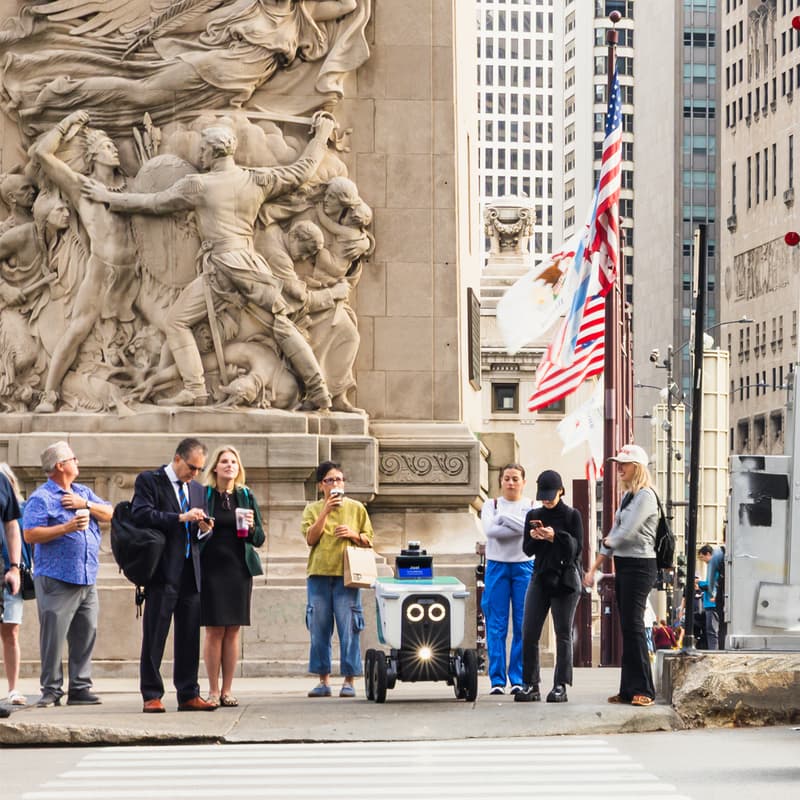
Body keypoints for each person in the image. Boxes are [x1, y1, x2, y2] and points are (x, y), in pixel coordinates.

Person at [84, 114, 338, 409]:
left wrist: (108, 197)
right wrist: (322, 134)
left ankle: (195, 388)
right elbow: (302, 170)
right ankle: (319, 391)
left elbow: (153, 203)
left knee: (177, 322)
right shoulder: (257, 179)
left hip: (221, 267)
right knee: (281, 324)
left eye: (202, 150)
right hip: (250, 265)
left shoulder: (198, 186)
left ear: (213, 151)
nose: (198, 155)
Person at [30, 111, 139, 412]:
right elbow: (41, 153)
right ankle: (50, 394)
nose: (114, 149)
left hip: (136, 273)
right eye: (107, 147)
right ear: (92, 155)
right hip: (102, 269)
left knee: (168, 323)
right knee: (79, 327)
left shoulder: (131, 185)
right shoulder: (81, 187)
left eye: (114, 147)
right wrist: (67, 124)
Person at [21, 441, 113, 707]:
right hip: (56, 577)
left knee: (86, 632)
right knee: (54, 636)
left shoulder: (82, 491)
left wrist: (84, 503)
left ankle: (80, 687)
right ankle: (51, 689)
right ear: (60, 465)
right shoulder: (42, 497)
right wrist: (67, 527)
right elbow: (30, 534)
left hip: (86, 576)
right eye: (73, 459)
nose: (78, 463)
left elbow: (110, 512)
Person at [131, 438, 216, 713]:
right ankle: (152, 693)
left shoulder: (199, 489)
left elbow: (202, 533)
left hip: (192, 571)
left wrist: (204, 527)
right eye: (192, 467)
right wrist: (180, 518)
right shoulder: (150, 480)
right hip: (162, 571)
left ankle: (189, 692)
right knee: (156, 633)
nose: (194, 473)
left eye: (199, 469)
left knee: (189, 635)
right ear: (178, 459)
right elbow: (141, 515)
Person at [584, 444, 658, 707]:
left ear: (637, 467)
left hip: (641, 566)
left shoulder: (646, 496)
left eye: (624, 463)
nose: (619, 468)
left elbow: (624, 532)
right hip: (625, 564)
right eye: (618, 463)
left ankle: (645, 690)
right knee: (628, 627)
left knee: (635, 626)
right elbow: (614, 535)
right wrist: (594, 568)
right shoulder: (627, 498)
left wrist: (610, 539)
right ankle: (628, 690)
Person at [200, 445, 265, 707]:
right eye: (224, 461)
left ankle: (227, 690)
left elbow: (260, 538)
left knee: (233, 630)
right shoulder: (204, 495)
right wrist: (203, 527)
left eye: (234, 462)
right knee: (214, 629)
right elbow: (193, 534)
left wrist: (250, 528)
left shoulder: (246, 496)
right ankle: (213, 690)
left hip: (239, 569)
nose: (229, 465)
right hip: (211, 567)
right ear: (215, 467)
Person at [302, 460, 373, 698]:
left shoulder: (356, 508)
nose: (336, 484)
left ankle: (350, 680)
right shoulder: (312, 509)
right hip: (319, 575)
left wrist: (353, 534)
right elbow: (310, 538)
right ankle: (323, 680)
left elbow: (369, 538)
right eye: (330, 480)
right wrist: (325, 511)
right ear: (321, 485)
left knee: (349, 628)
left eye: (340, 480)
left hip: (347, 577)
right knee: (319, 629)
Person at [515, 470, 583, 704]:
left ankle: (560, 685)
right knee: (529, 631)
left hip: (565, 579)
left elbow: (576, 549)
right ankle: (530, 684)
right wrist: (535, 536)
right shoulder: (533, 514)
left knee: (562, 632)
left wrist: (556, 537)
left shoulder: (572, 515)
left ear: (561, 491)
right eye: (543, 495)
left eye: (550, 495)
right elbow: (527, 549)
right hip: (540, 576)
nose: (546, 499)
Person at [479, 463, 534, 695]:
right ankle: (498, 680)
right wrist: (519, 527)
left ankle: (518, 678)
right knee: (496, 624)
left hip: (524, 566)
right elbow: (491, 532)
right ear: (500, 481)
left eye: (515, 478)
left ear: (523, 482)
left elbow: (531, 531)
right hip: (497, 566)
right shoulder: (490, 505)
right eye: (507, 478)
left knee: (523, 624)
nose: (511, 483)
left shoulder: (532, 505)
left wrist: (503, 520)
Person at [0, 463, 30, 707]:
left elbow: (12, 525)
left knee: (10, 631)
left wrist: (14, 567)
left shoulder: (1, 481)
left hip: (2, 569)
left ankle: (11, 689)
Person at [698, 544, 724, 650]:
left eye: (702, 557)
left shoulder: (714, 564)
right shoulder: (718, 563)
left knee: (712, 631)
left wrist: (699, 583)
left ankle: (714, 651)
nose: (702, 560)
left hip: (712, 603)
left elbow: (712, 583)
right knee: (713, 630)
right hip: (713, 602)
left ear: (708, 554)